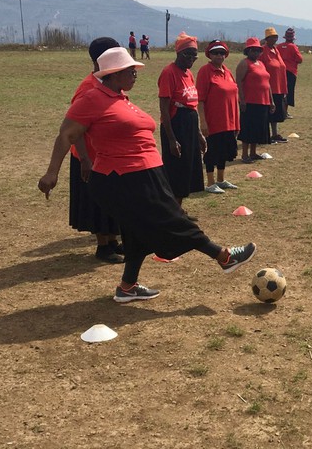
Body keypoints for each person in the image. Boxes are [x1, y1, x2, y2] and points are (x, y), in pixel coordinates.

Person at [38, 47, 258, 303]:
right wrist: (51, 172)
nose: (136, 74)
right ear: (113, 74)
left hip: (144, 173)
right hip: (121, 177)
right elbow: (67, 135)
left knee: (137, 232)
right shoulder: (91, 98)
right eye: (130, 70)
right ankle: (224, 256)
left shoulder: (119, 97)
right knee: (173, 219)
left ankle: (127, 286)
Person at [68, 37, 124, 263]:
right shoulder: (88, 88)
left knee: (111, 199)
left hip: (106, 156)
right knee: (97, 201)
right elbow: (74, 129)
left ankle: (112, 240)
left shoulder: (108, 82)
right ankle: (103, 246)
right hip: (89, 157)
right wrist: (84, 159)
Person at [158, 32, 205, 215]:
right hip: (176, 126)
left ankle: (178, 209)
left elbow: (192, 105)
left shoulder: (189, 74)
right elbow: (164, 108)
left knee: (187, 170)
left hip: (190, 126)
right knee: (176, 171)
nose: (191, 59)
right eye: (188, 54)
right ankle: (172, 213)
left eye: (194, 55)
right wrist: (171, 139)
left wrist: (199, 134)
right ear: (178, 53)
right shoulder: (169, 73)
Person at [196, 40, 239, 194]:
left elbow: (233, 96)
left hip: (229, 120)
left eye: (222, 53)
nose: (219, 56)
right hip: (213, 120)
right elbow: (200, 99)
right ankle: (210, 182)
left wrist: (236, 122)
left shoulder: (227, 72)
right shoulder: (205, 71)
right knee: (211, 151)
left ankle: (221, 179)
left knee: (223, 151)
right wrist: (203, 122)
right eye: (215, 53)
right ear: (210, 54)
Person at [236, 37, 275, 162]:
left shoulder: (261, 64)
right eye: (253, 50)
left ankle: (253, 153)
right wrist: (242, 100)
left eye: (258, 50)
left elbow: (267, 83)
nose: (256, 53)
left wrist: (271, 101)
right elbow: (239, 82)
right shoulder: (244, 63)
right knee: (248, 128)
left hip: (263, 102)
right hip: (250, 102)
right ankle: (245, 154)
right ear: (248, 51)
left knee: (258, 128)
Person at [260, 27, 289, 143]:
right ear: (267, 39)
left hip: (279, 87)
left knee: (276, 112)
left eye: (275, 37)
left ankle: (275, 134)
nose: (274, 39)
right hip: (269, 86)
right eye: (272, 37)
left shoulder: (276, 51)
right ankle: (265, 135)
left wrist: (284, 89)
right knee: (268, 112)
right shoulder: (263, 51)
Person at [276, 28, 303, 119]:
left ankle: (279, 110)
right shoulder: (293, 47)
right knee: (288, 92)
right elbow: (300, 60)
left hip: (280, 71)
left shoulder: (279, 46)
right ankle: (285, 112)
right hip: (291, 72)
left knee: (280, 91)